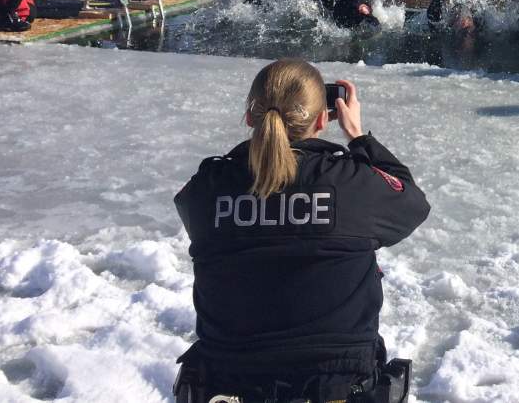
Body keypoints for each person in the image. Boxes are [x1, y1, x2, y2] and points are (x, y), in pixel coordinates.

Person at [173, 60, 429, 403]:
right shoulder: (351, 186)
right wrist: (358, 137)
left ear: (251, 117)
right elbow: (412, 203)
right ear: (323, 119)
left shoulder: (208, 188)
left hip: (227, 384)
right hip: (337, 386)